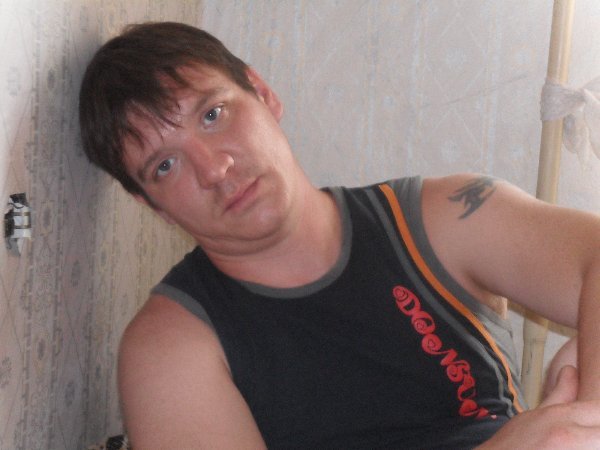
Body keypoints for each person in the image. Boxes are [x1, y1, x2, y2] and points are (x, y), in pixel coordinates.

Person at [79, 22, 600, 449]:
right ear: (153, 206)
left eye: (213, 115)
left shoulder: (444, 217)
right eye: (166, 166)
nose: (214, 169)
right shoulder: (171, 346)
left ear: (263, 93)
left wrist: (585, 413)